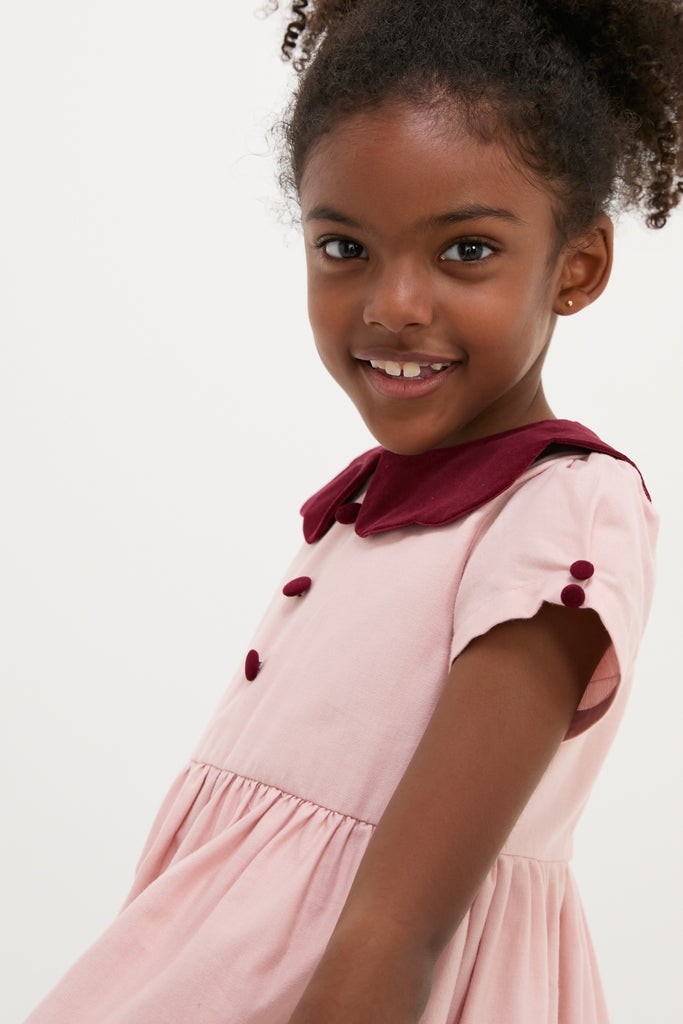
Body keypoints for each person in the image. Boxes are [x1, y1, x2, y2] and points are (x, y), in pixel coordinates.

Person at [25, 1, 682, 1022]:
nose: (392, 306)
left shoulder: (563, 511)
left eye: (465, 250)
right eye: (344, 247)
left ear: (577, 266)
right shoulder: (370, 503)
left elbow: (393, 930)